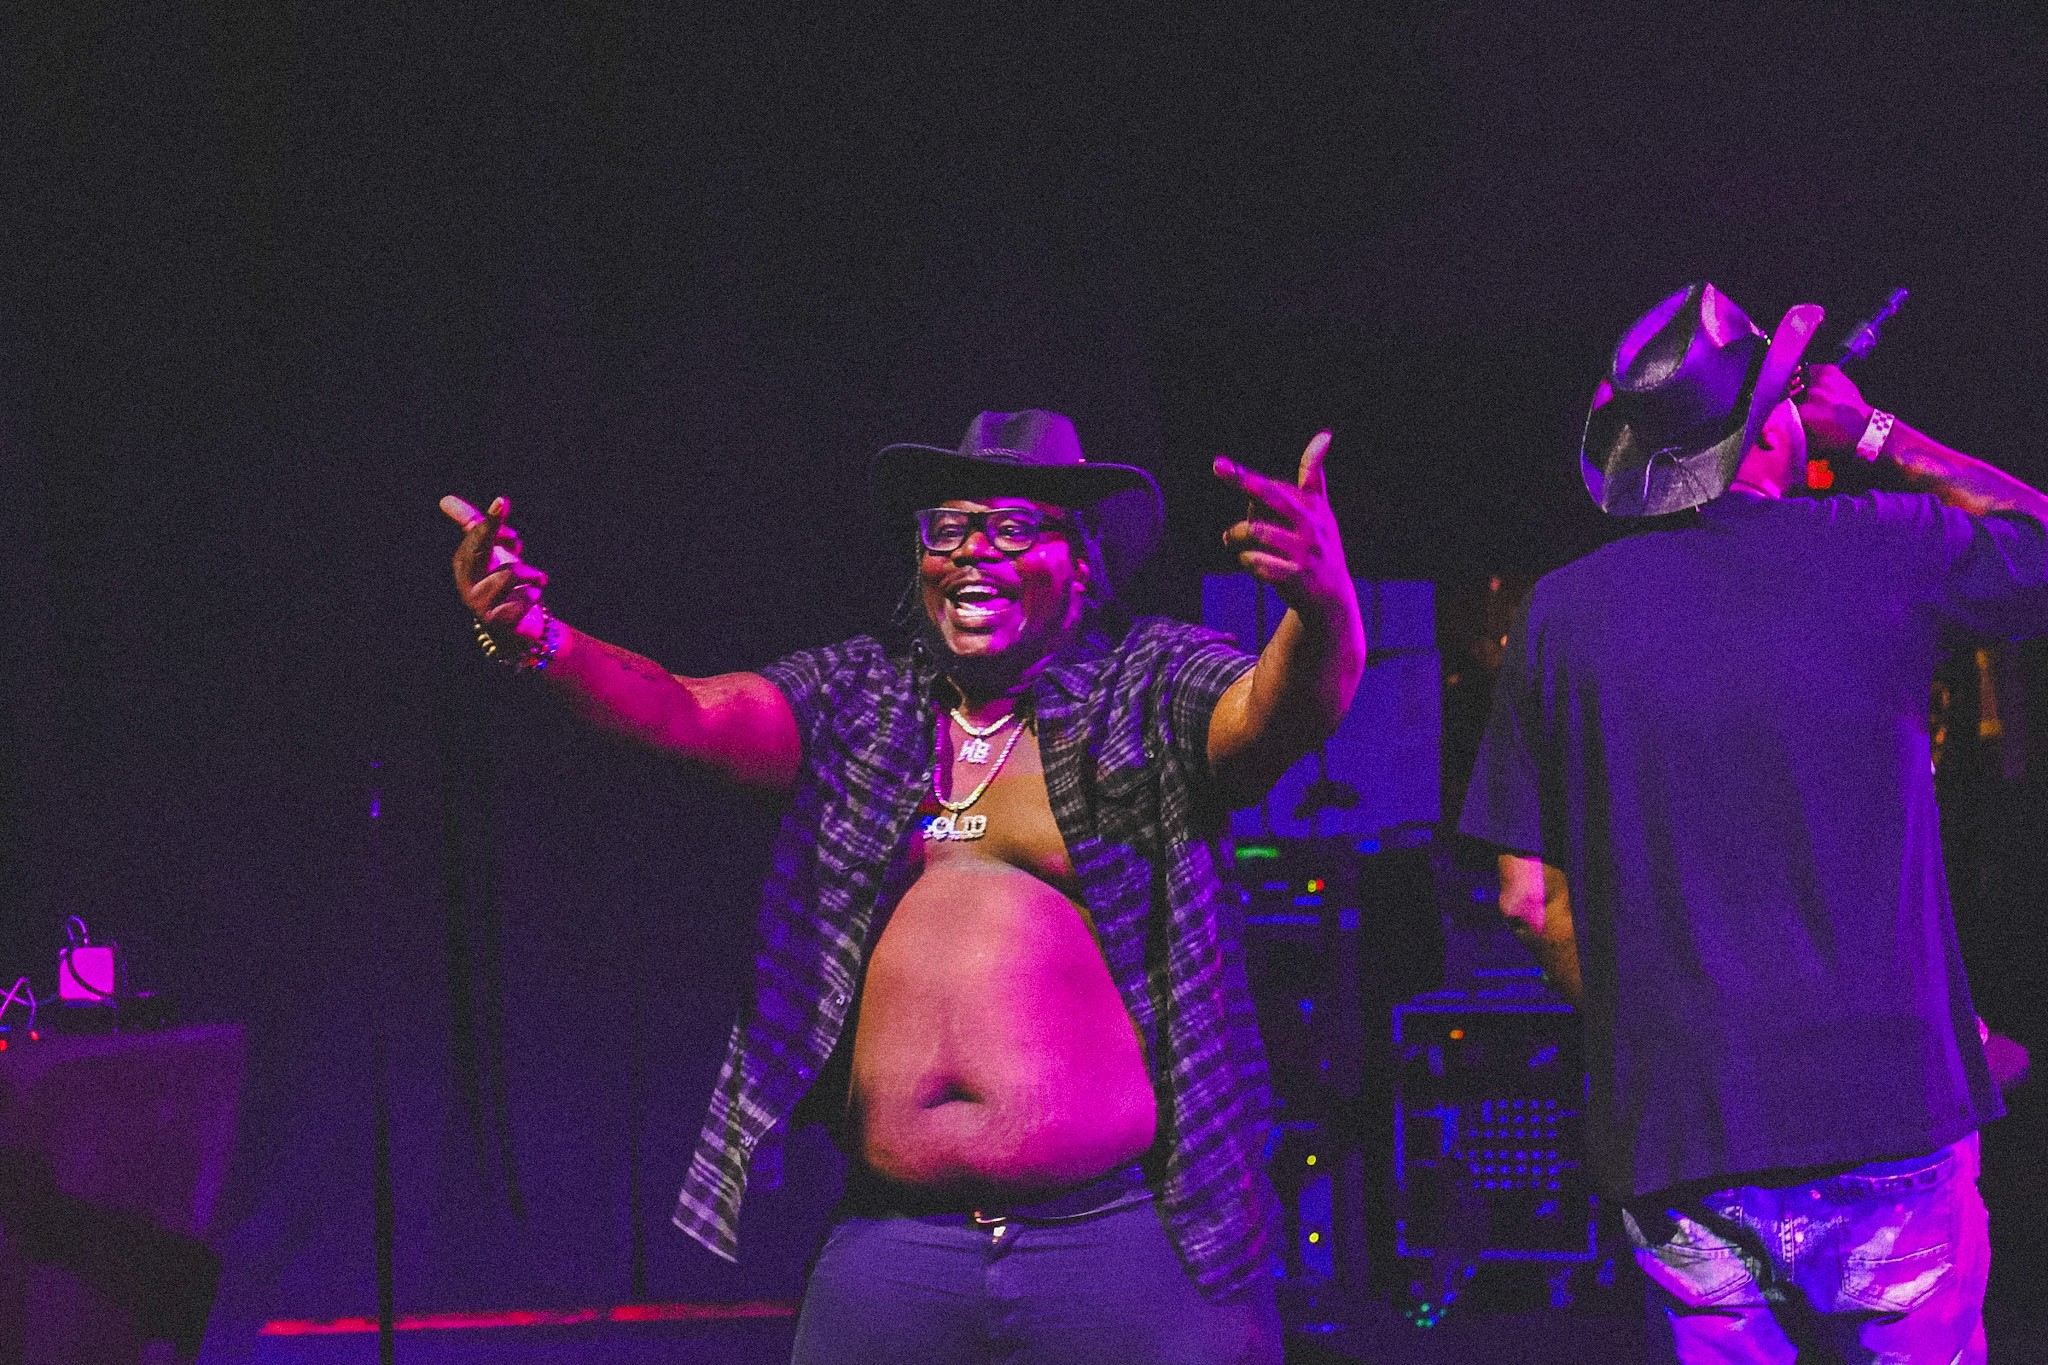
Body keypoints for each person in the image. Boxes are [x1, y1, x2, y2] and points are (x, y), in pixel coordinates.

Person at [441, 408, 1365, 1364]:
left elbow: (1275, 710)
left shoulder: (1145, 687)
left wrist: (1325, 607)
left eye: (1015, 527)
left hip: (1115, 1243)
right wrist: (538, 635)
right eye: (949, 527)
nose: (976, 553)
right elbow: (686, 713)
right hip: (896, 1252)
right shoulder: (862, 703)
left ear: (1082, 562)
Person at [1459, 281, 2048, 1364]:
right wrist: (1870, 429)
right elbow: (2037, 537)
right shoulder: (1876, 548)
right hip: (1882, 1111)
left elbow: (1524, 897)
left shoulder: (1559, 614)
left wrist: (1663, 1038)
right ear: (1775, 425)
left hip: (1678, 1132)